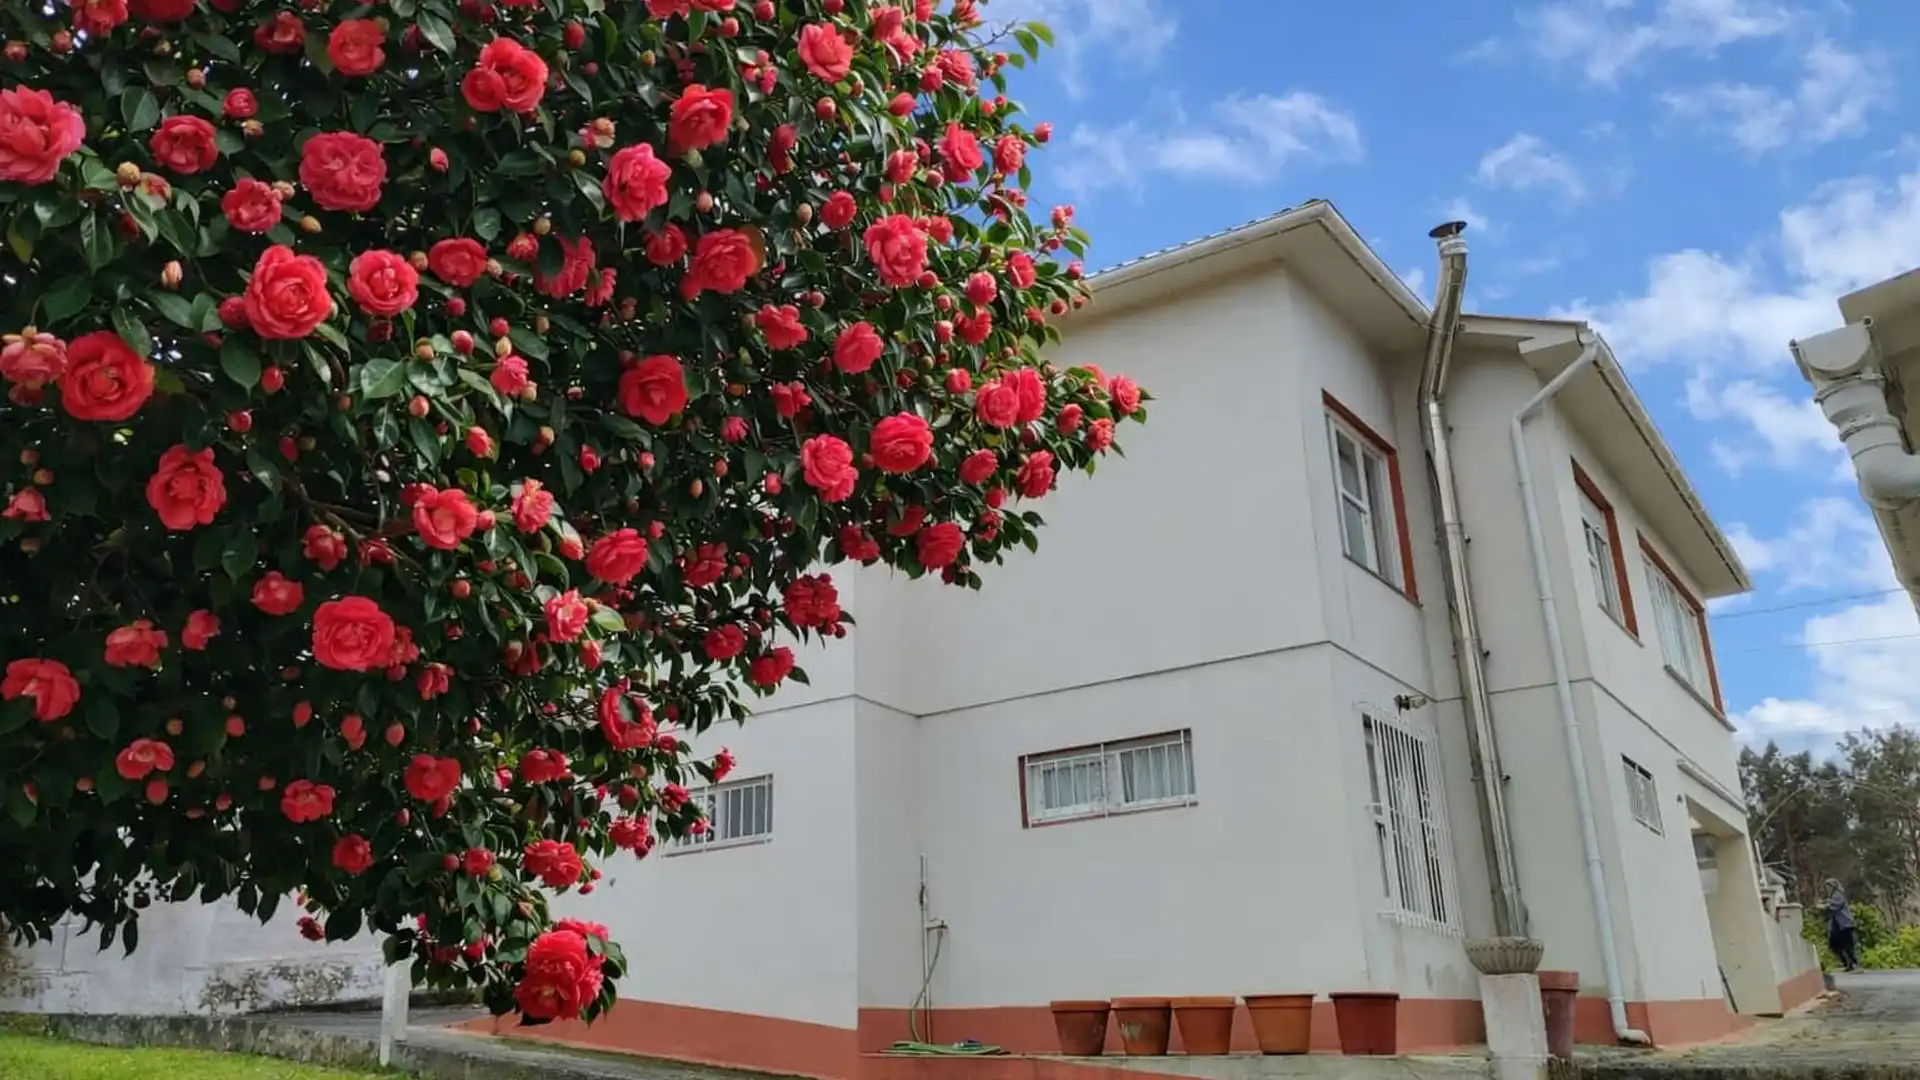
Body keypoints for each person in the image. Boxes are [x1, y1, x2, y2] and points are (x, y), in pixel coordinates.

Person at [1822, 878, 1861, 972]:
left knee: (1848, 945)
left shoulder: (1838, 894)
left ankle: (1854, 964)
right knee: (1835, 944)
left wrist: (1825, 906)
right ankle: (1847, 963)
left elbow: (1835, 905)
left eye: (1828, 887)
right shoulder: (1833, 895)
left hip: (1845, 923)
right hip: (1837, 924)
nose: (1827, 889)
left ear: (1832, 887)